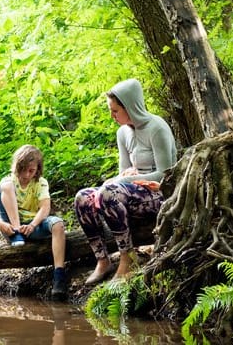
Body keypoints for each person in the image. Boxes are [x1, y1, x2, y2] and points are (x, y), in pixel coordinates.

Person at [74, 78, 177, 285]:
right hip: (130, 192)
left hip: (158, 194)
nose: (112, 116)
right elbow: (123, 173)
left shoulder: (157, 127)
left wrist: (128, 179)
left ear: (130, 106)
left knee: (108, 192)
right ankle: (102, 261)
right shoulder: (122, 133)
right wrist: (121, 178)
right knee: (83, 197)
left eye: (115, 111)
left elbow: (166, 174)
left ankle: (127, 257)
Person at [0, 144, 67, 299]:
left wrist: (33, 225)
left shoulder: (40, 182)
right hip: (10, 227)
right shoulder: (8, 181)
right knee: (6, 185)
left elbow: (45, 208)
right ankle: (16, 233)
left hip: (32, 225)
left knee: (58, 224)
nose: (27, 174)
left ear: (37, 169)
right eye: (23, 169)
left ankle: (59, 276)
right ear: (17, 166)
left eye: (32, 170)